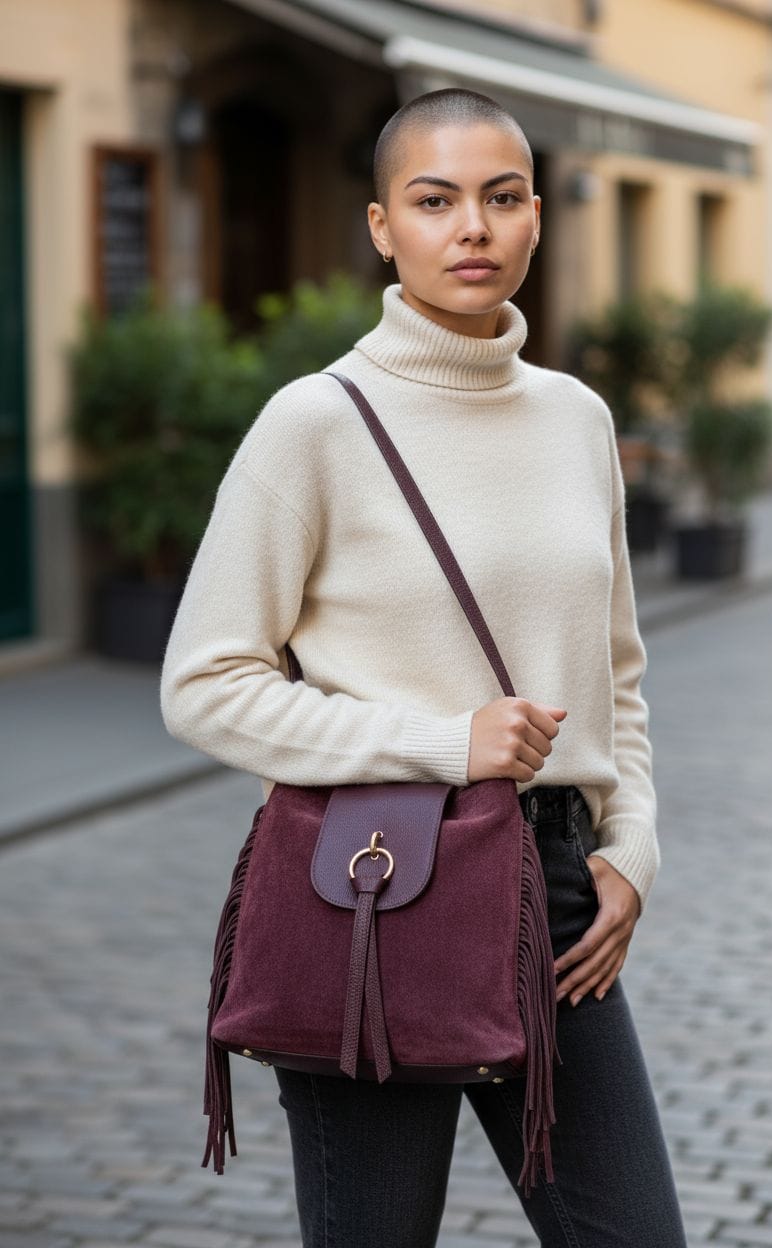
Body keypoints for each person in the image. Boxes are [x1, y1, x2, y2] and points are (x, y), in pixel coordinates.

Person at [160, 88, 687, 1248]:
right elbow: (203, 681)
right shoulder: (315, 424)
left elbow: (617, 673)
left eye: (501, 198)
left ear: (537, 216)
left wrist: (631, 849)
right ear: (381, 225)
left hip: (554, 899)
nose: (473, 228)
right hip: (376, 887)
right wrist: (445, 742)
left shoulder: (577, 420)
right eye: (435, 200)